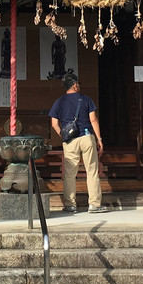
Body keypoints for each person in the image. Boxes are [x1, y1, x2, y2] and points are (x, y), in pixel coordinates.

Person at [49, 72, 107, 213]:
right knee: (92, 171)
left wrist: (63, 133)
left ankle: (70, 205)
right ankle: (94, 204)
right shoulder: (86, 99)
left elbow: (54, 123)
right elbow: (93, 120)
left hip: (70, 141)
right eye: (78, 84)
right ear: (75, 85)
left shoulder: (59, 102)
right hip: (86, 137)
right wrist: (99, 138)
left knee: (70, 173)